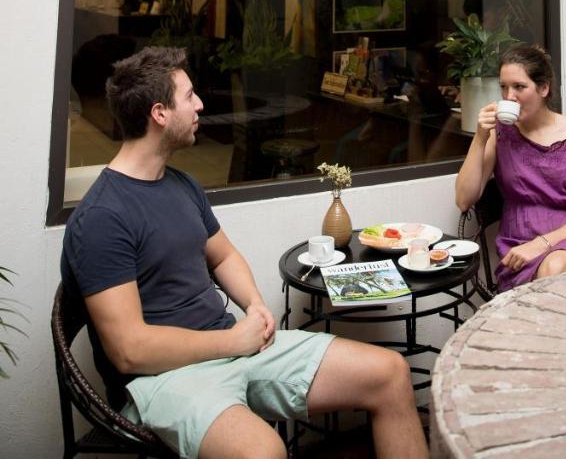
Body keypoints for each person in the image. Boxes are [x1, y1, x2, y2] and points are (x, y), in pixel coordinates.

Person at [61, 46, 428, 459]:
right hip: (162, 380)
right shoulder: (101, 217)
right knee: (263, 452)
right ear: (159, 113)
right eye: (189, 97)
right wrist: (233, 341)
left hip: (233, 347)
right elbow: (130, 351)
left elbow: (223, 257)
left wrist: (254, 307)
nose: (200, 105)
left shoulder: (181, 185)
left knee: (390, 373)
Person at [455, 44, 566, 290]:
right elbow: (464, 199)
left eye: (519, 87)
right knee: (553, 276)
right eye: (503, 87)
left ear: (543, 88)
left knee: (554, 267)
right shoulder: (500, 133)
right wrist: (481, 137)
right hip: (517, 250)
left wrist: (541, 244)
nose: (509, 97)